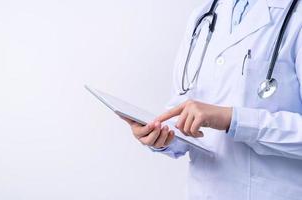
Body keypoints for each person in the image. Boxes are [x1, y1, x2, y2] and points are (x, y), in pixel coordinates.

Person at [121, 0, 302, 199]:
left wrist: (233, 119)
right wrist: (161, 136)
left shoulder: (295, 16)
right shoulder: (204, 15)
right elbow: (184, 114)